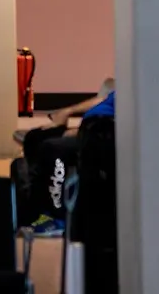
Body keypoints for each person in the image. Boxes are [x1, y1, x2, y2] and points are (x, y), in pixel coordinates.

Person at [20, 79, 115, 236]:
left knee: (53, 148)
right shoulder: (123, 90)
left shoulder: (138, 93)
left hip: (101, 135)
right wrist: (67, 111)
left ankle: (57, 218)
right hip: (90, 128)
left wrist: (80, 131)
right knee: (34, 138)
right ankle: (34, 209)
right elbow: (104, 99)